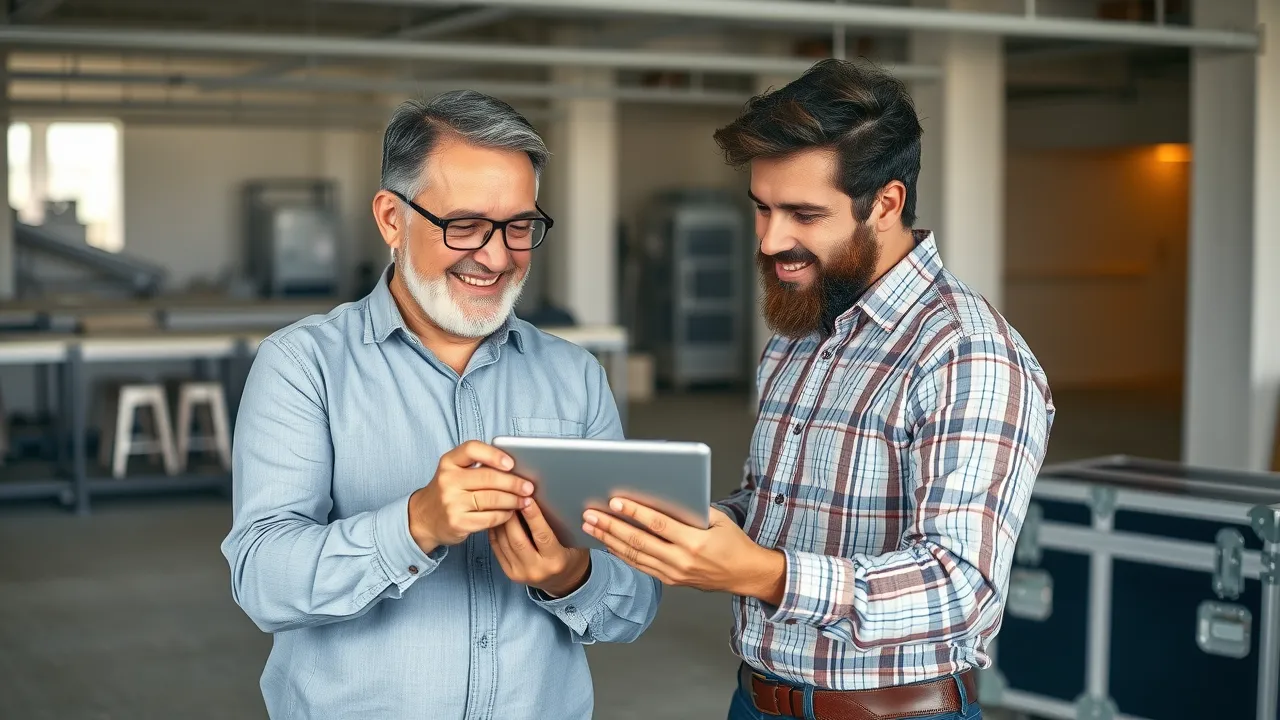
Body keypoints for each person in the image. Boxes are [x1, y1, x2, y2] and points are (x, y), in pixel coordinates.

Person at [583, 59, 1054, 720]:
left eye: (803, 214)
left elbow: (959, 587)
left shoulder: (965, 353)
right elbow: (782, 503)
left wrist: (762, 573)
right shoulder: (800, 330)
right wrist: (699, 525)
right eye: (762, 209)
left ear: (886, 203)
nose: (774, 240)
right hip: (755, 699)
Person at [222, 90, 661, 719]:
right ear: (392, 220)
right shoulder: (303, 365)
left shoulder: (575, 377)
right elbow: (263, 582)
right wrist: (415, 525)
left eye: (519, 227)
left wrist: (571, 576)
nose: (496, 255)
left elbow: (635, 604)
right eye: (464, 225)